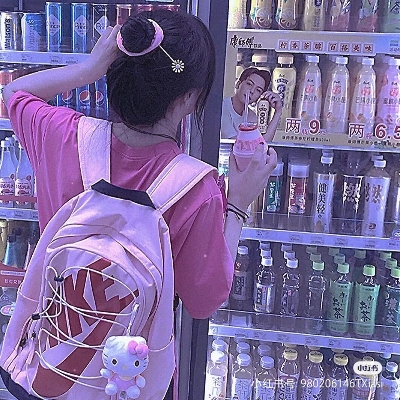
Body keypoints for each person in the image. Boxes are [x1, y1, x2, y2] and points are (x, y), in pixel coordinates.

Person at [0, 10, 277, 400]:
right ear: (188, 98)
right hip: (129, 382)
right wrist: (238, 205)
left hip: (49, 364)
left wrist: (88, 69)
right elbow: (204, 301)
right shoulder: (197, 189)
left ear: (116, 70)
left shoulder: (62, 135)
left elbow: (14, 93)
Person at [220, 66, 282, 140]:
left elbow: (263, 142)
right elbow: (236, 142)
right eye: (249, 84)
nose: (252, 91)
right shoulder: (222, 108)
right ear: (238, 84)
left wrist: (278, 111)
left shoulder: (251, 116)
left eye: (258, 90)